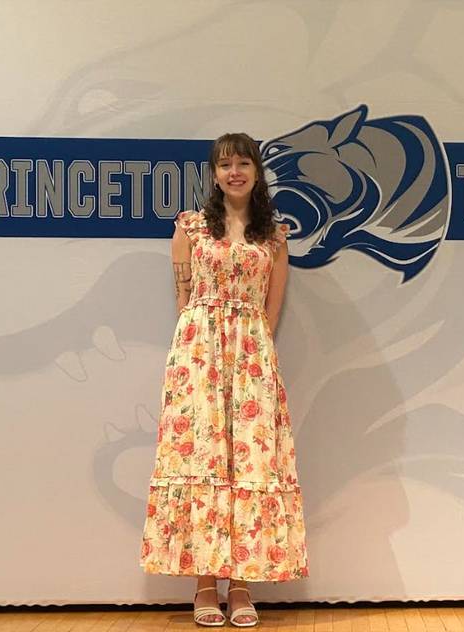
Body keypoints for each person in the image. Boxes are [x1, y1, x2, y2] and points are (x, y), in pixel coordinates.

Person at [140, 133, 309, 627]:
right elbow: (183, 297)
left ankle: (241, 584)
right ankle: (204, 584)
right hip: (198, 353)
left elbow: (271, 307)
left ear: (257, 171)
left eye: (243, 163)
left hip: (252, 354)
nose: (234, 171)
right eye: (224, 164)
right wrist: (196, 351)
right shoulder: (190, 228)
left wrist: (255, 349)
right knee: (204, 459)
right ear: (213, 174)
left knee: (249, 462)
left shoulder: (274, 237)